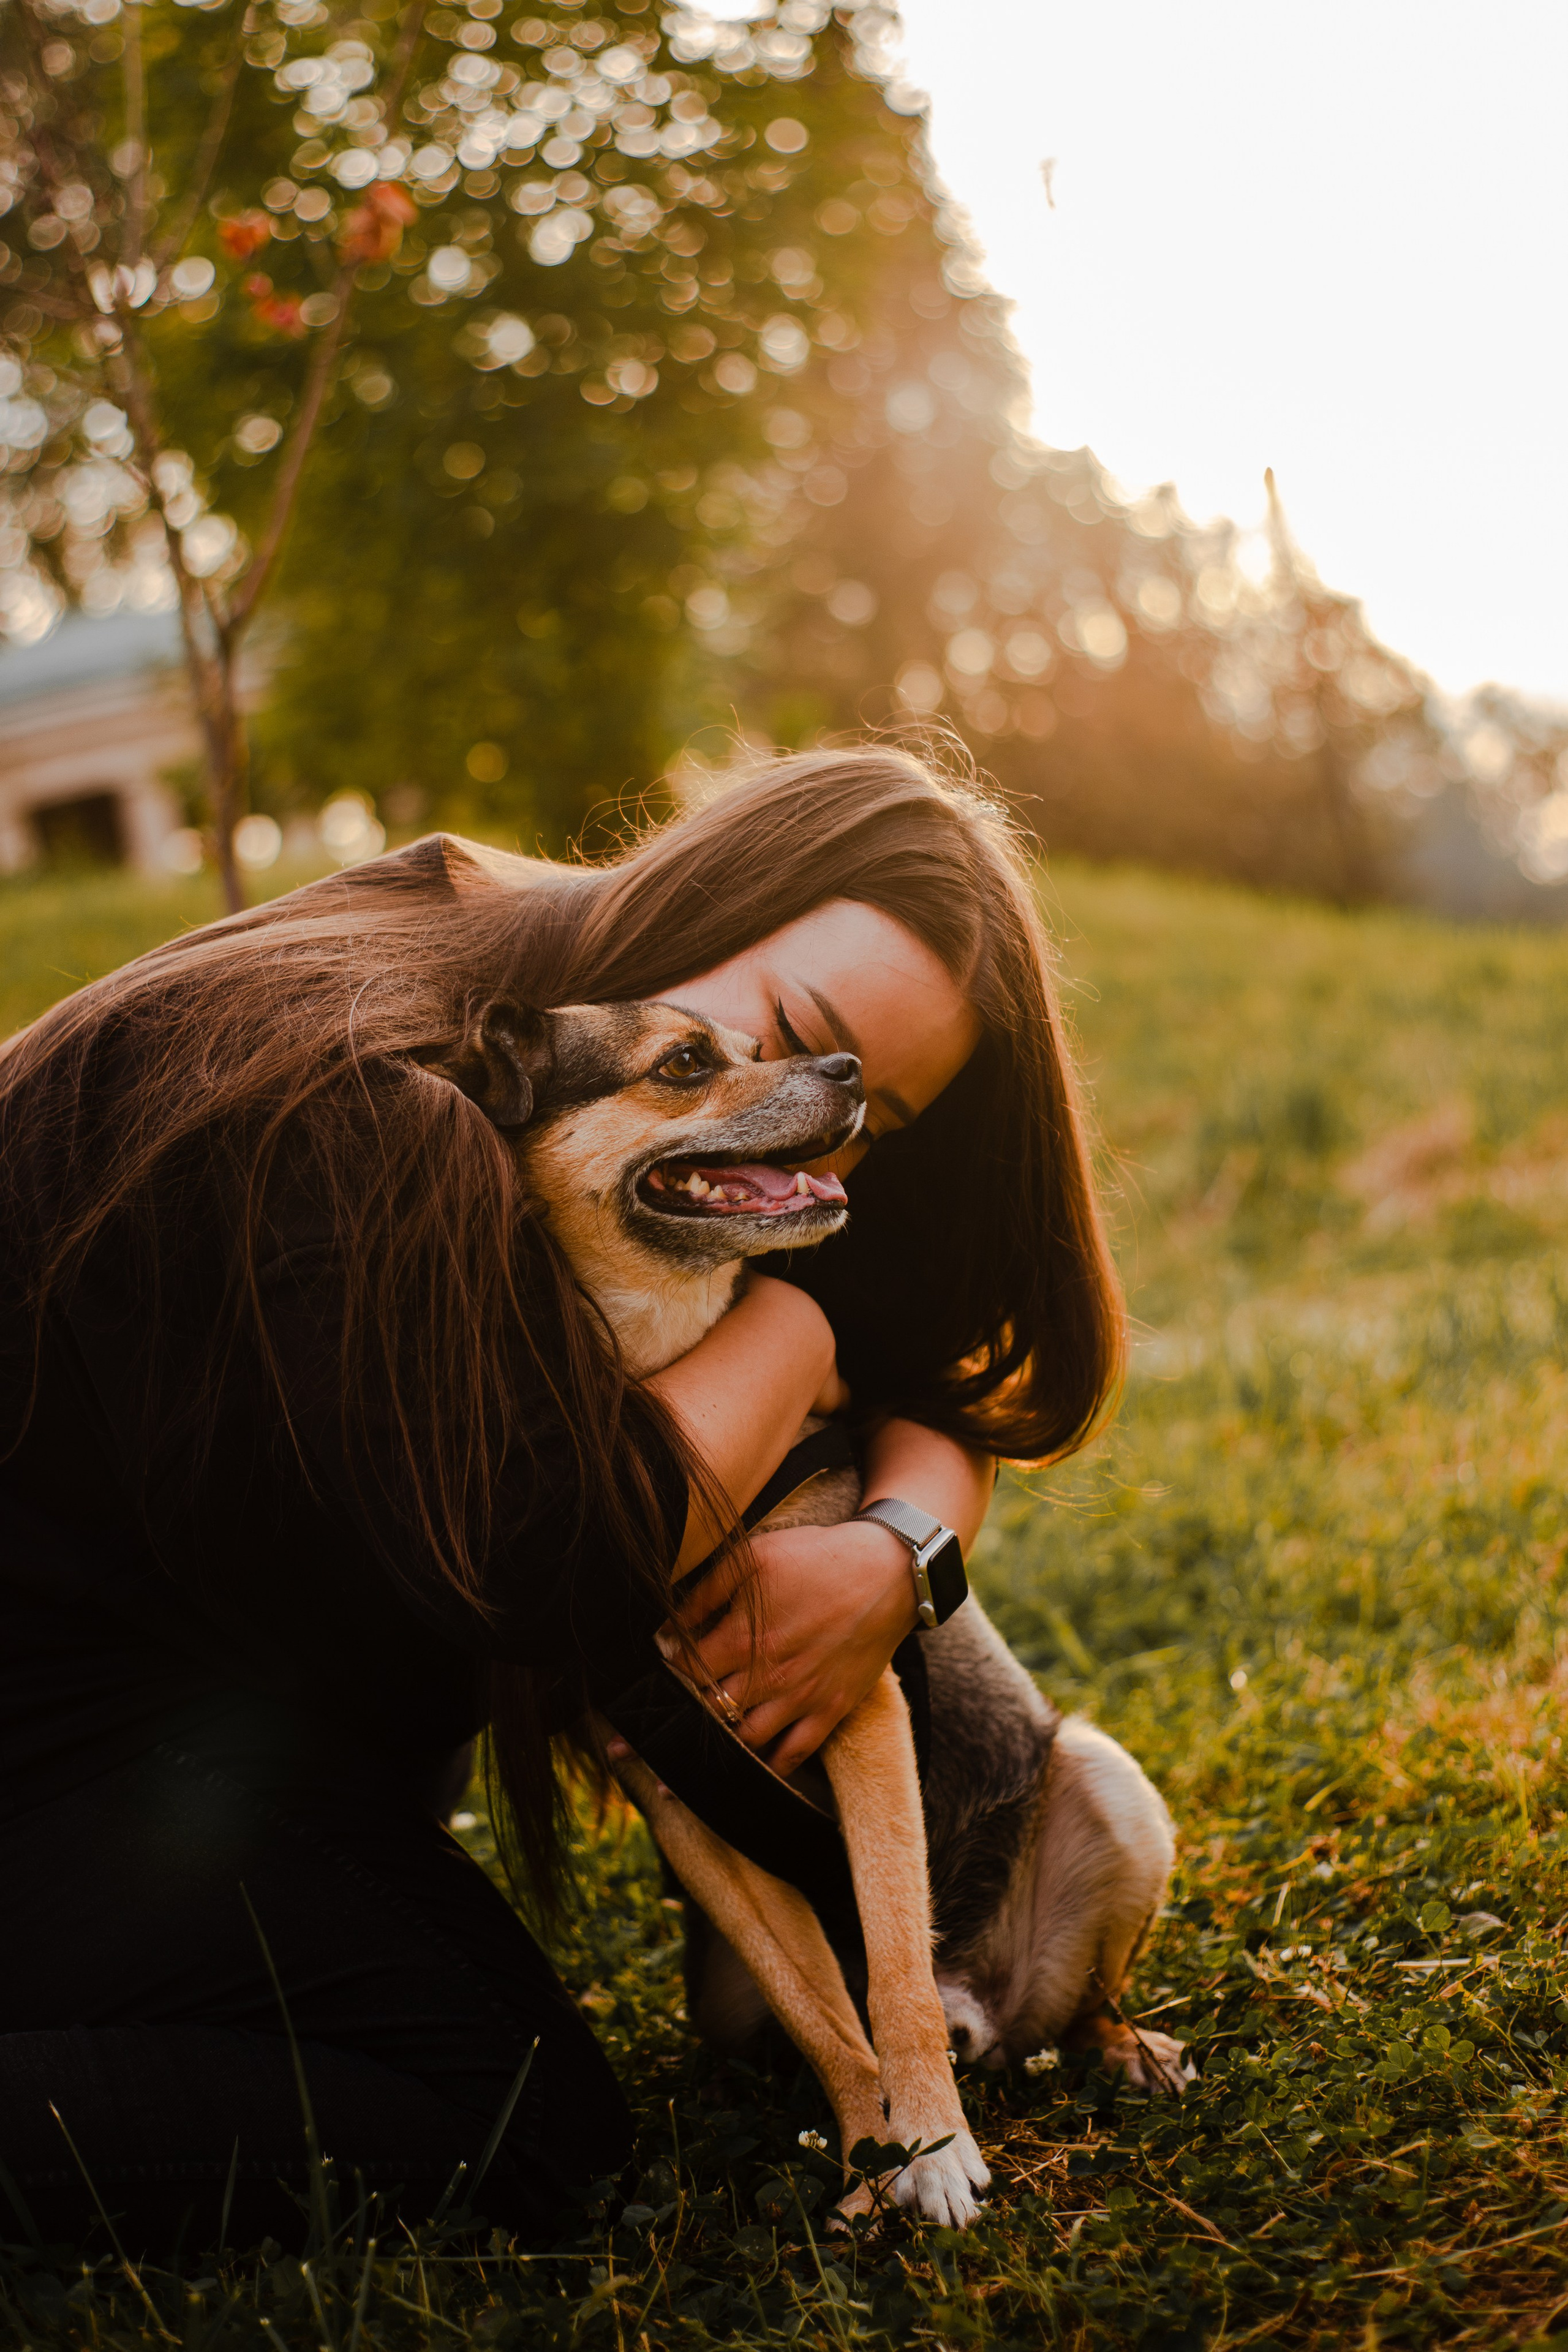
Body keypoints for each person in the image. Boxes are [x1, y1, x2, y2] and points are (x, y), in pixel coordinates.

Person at [0, 748, 1123, 2252]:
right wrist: (794, 1343)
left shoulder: (585, 1044)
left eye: (883, 1122)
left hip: (186, 1705)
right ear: (699, 904)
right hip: (49, 1734)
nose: (828, 1127)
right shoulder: (385, 1098)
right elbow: (544, 1564)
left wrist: (896, 1552)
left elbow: (948, 1359)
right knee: (510, 2125)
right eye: (793, 1037)